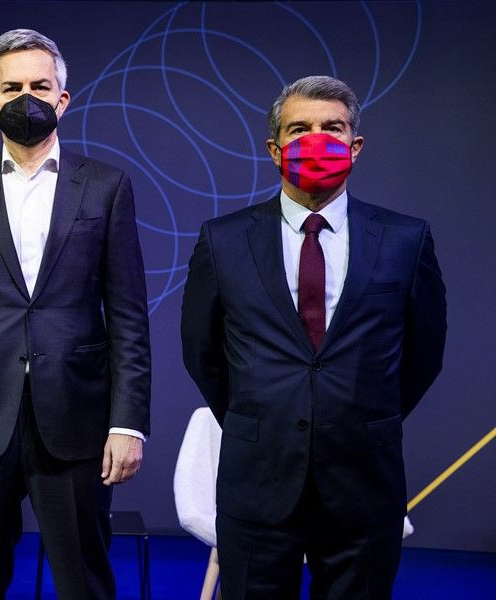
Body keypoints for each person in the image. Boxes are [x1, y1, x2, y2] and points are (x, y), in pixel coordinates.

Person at [181, 75, 446, 599]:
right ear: (274, 148)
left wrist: (361, 415)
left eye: (333, 128)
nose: (317, 140)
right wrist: (262, 418)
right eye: (300, 129)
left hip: (364, 480)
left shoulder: (405, 238)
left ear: (356, 145)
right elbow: (202, 351)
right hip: (257, 481)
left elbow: (424, 353)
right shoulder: (223, 239)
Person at [0, 29, 151, 599]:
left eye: (39, 86)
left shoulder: (107, 187)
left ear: (62, 99)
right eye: (11, 87)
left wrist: (128, 423)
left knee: (84, 583)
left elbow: (128, 317)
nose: (26, 98)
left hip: (75, 419)